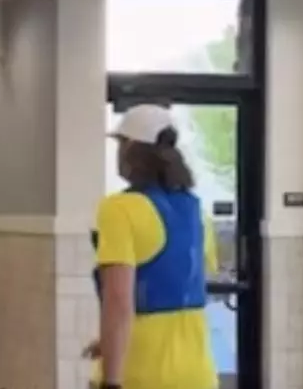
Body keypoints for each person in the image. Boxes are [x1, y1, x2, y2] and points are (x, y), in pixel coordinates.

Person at [89, 104, 219, 389]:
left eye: (120, 144)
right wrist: (110, 341)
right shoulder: (197, 211)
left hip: (141, 374)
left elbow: (119, 302)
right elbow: (183, 287)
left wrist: (111, 382)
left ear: (131, 148)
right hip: (198, 373)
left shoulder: (120, 209)